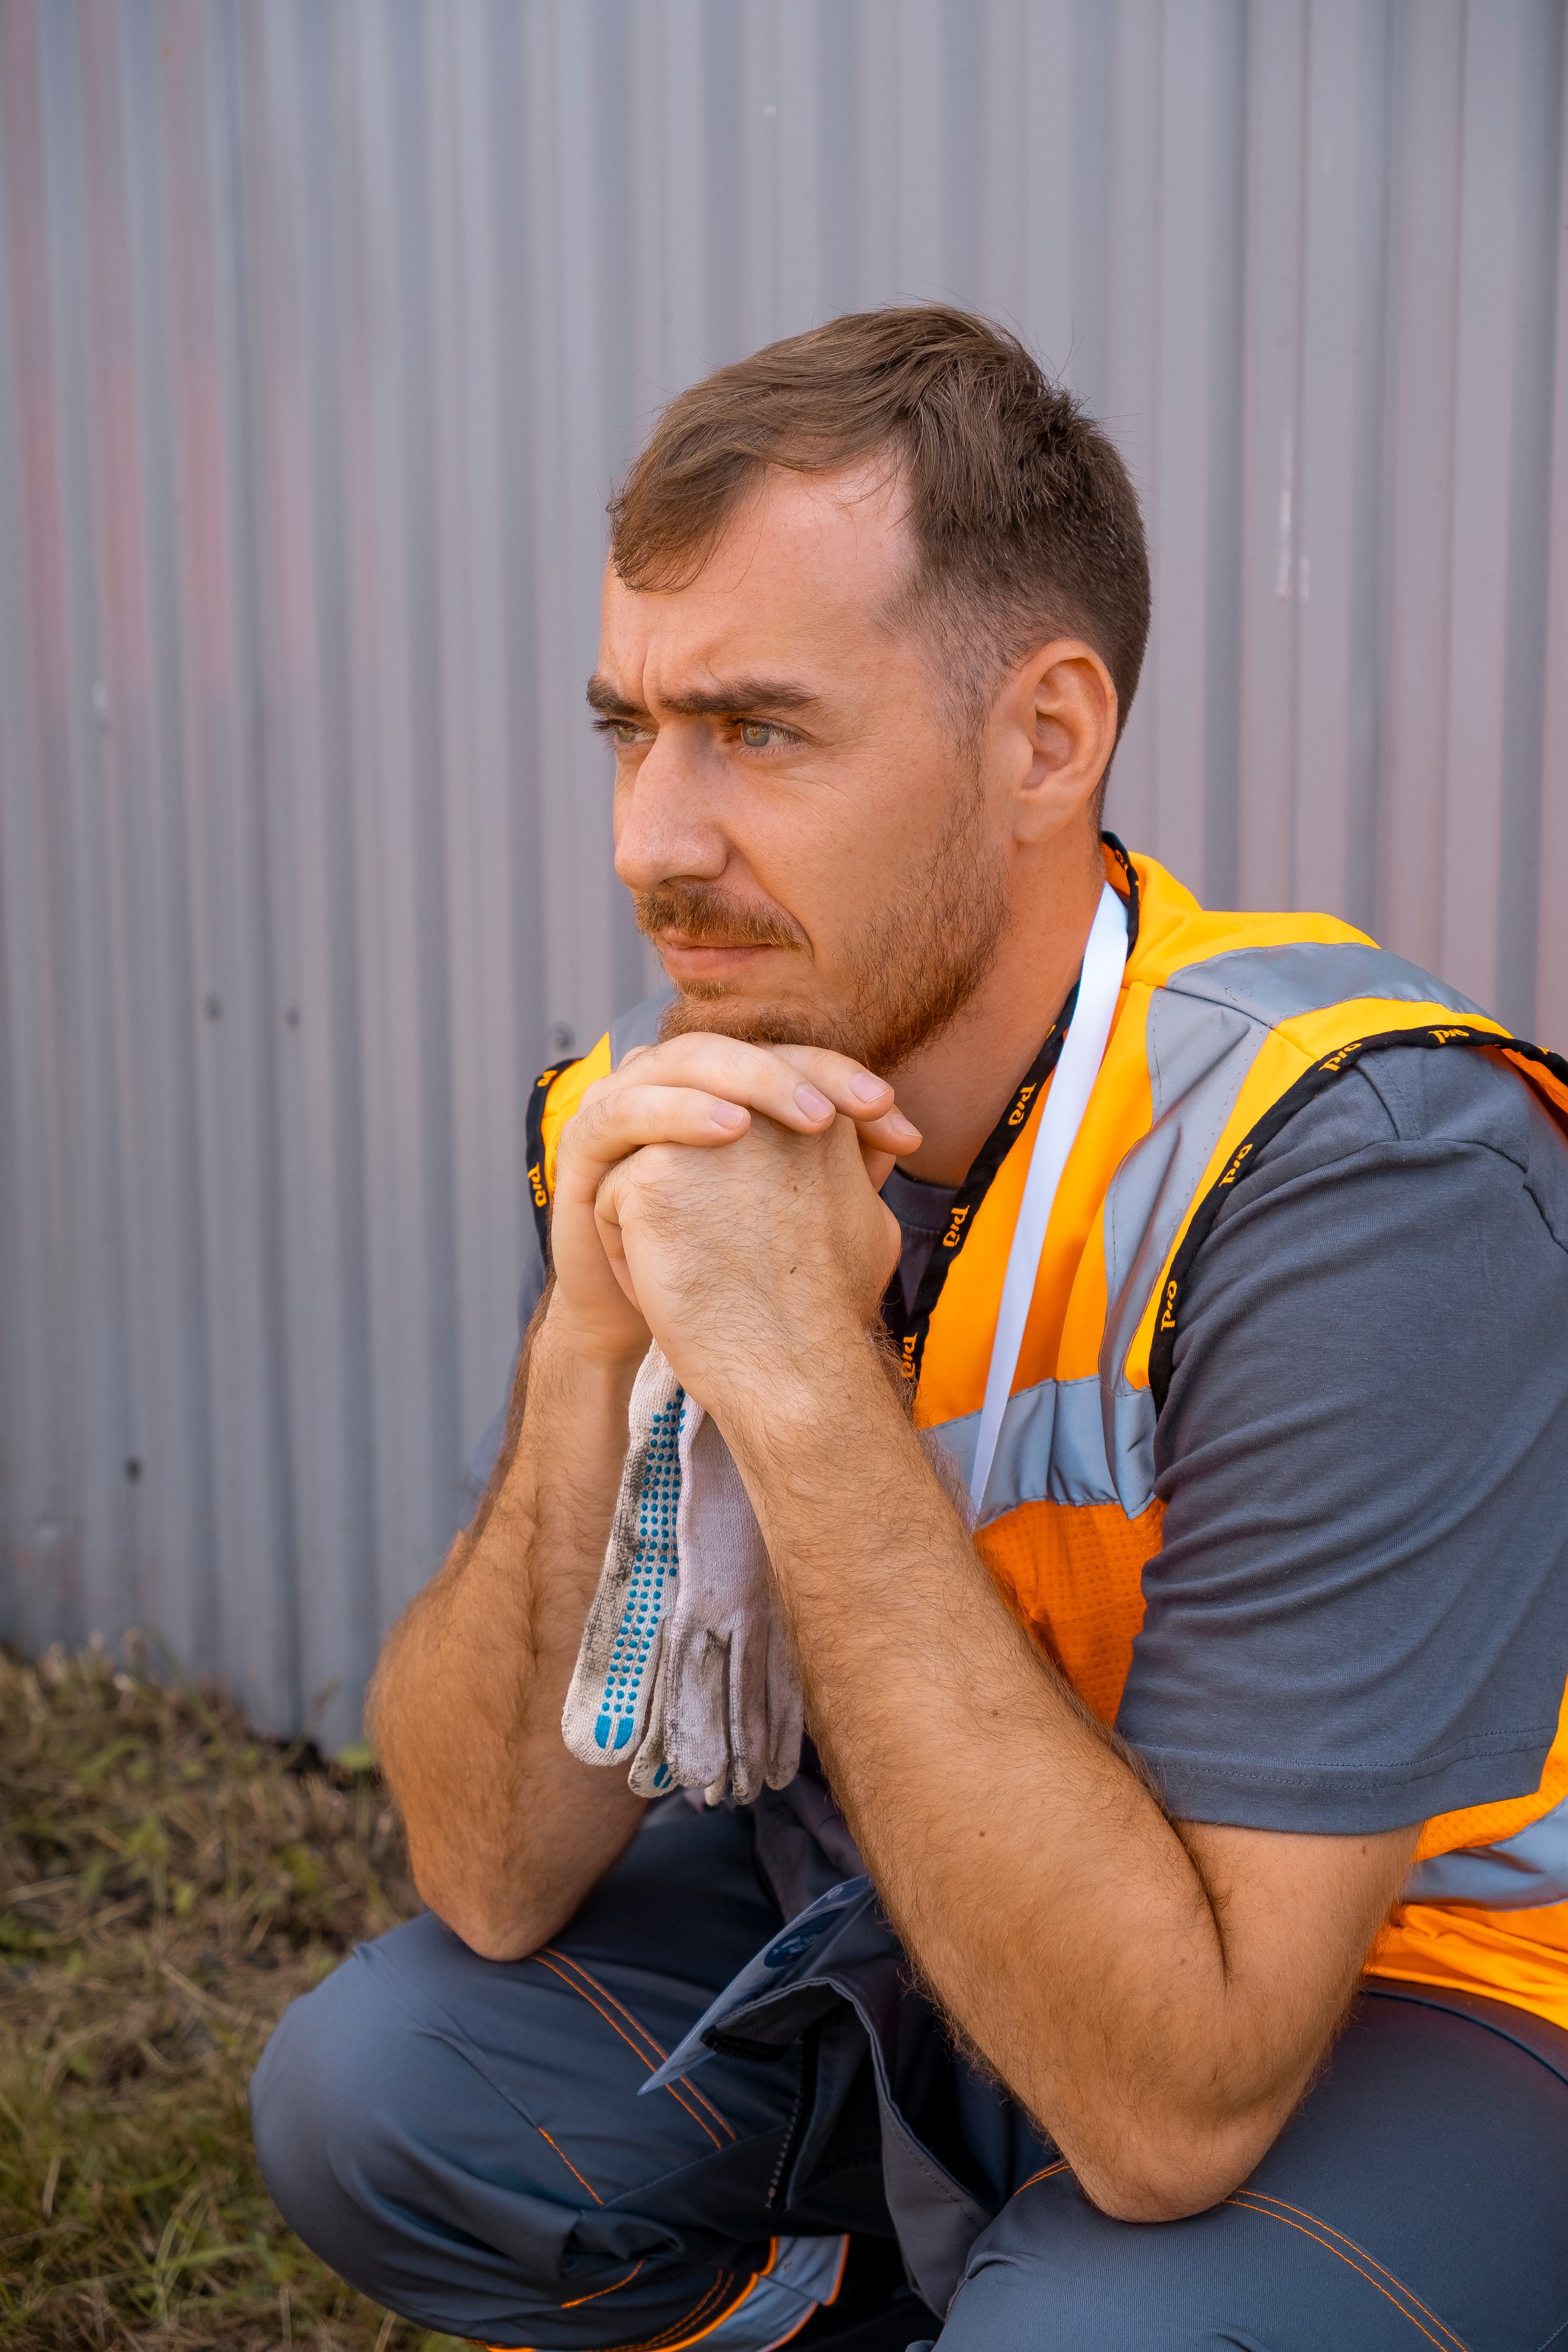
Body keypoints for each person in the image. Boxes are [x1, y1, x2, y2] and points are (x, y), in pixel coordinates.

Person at [250, 308, 1568, 2350]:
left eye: (759, 733)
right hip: (957, 1884)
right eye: (631, 729)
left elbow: (1173, 2106)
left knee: (1117, 2314)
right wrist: (595, 1340)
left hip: (1435, 1989)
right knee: (389, 2094)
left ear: (1047, 738)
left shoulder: (1362, 1164)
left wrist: (794, 1368)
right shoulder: (693, 1094)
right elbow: (494, 1871)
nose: (650, 845)